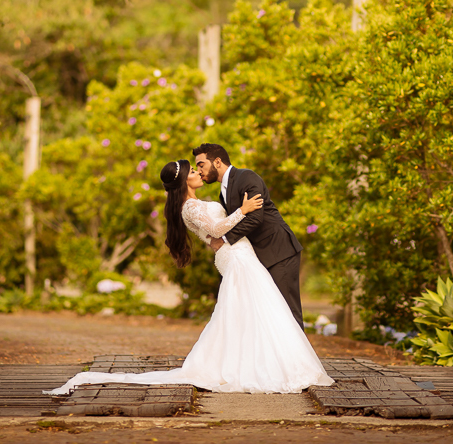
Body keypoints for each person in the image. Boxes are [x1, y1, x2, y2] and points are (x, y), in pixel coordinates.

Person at [46, 158, 333, 395]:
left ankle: (264, 362)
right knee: (255, 309)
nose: (198, 172)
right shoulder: (189, 207)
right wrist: (243, 211)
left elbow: (214, 232)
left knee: (252, 312)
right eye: (193, 170)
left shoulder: (195, 203)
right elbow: (219, 230)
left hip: (241, 254)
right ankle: (261, 367)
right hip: (236, 257)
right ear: (184, 180)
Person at [193, 143, 305, 330]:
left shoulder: (247, 177)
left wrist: (224, 239)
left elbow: (256, 218)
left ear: (217, 162)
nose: (199, 171)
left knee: (288, 311)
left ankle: (301, 359)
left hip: (279, 251)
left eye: (201, 165)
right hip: (259, 256)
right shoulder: (223, 190)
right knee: (271, 311)